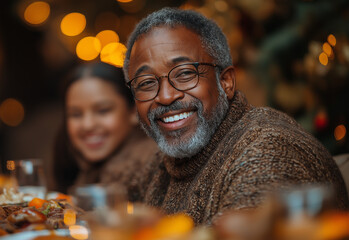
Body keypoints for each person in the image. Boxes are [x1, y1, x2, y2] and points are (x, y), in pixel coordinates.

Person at [122, 7, 349, 225]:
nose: (165, 96)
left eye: (184, 73)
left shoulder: (267, 150)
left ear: (226, 82)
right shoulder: (167, 161)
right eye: (146, 83)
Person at [52, 62, 157, 194]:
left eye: (103, 111)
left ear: (133, 111)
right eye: (76, 114)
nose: (88, 125)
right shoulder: (79, 167)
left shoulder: (147, 165)